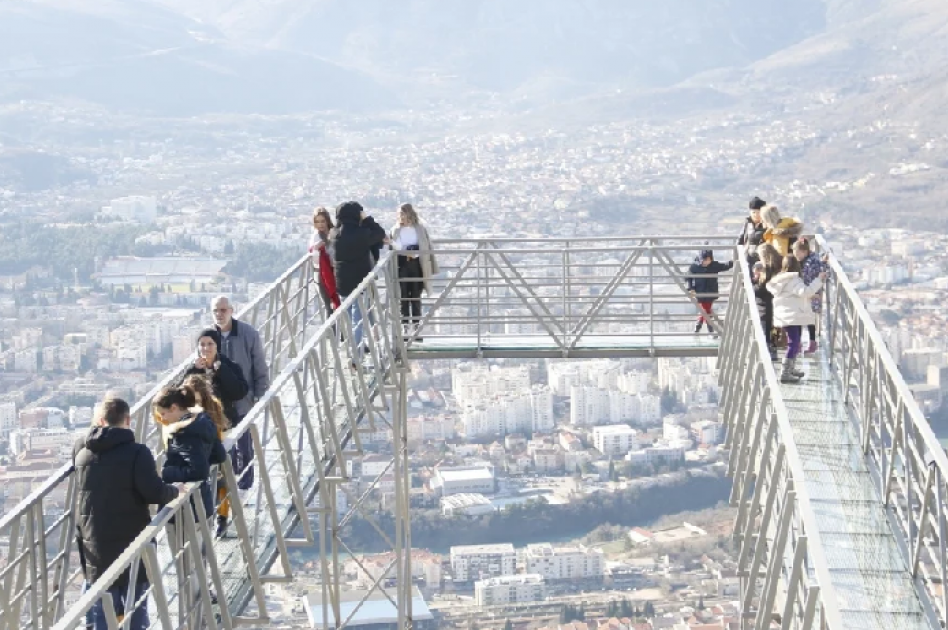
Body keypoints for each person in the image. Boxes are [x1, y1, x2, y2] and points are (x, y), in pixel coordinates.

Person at [74, 397, 182, 630]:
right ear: (128, 420)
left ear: (101, 421)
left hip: (95, 544)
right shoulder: (137, 453)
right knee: (136, 606)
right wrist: (175, 491)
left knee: (101, 608)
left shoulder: (82, 452)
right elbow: (154, 492)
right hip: (132, 543)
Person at [178, 328, 249, 536]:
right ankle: (202, 517)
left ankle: (222, 517)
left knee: (223, 476)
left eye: (210, 344)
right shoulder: (193, 370)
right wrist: (192, 371)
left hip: (223, 429)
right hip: (198, 431)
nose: (206, 348)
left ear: (217, 346)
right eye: (202, 344)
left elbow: (240, 391)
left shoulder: (228, 365)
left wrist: (221, 371)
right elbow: (179, 395)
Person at [212, 296, 269, 499]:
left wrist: (258, 396)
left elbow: (260, 366)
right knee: (225, 449)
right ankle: (227, 490)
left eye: (223, 310)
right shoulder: (210, 337)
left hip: (244, 399)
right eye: (216, 311)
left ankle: (244, 486)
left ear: (231, 310)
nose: (219, 314)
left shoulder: (248, 334)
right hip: (219, 404)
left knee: (244, 446)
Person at [153, 383, 227, 524]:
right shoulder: (203, 420)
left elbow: (198, 471)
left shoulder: (183, 433)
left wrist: (166, 472)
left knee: (182, 545)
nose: (163, 419)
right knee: (202, 545)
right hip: (202, 504)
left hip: (184, 509)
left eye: (163, 413)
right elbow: (219, 455)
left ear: (174, 408)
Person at [332, 201, 387, 355]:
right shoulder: (361, 233)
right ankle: (357, 353)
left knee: (348, 318)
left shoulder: (334, 234)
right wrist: (367, 218)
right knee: (359, 317)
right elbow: (380, 233)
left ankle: (352, 350)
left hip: (342, 280)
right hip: (360, 280)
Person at [768, 256, 826, 383]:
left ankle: (791, 369)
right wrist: (819, 279)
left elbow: (794, 295)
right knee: (793, 343)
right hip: (792, 316)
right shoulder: (793, 280)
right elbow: (805, 292)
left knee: (794, 342)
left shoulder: (780, 280)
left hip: (786, 315)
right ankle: (785, 373)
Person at [390, 203, 439, 339]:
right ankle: (405, 328)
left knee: (416, 296)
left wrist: (415, 253)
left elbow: (426, 246)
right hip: (402, 265)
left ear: (409, 214)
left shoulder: (419, 229)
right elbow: (396, 246)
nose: (400, 217)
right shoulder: (396, 230)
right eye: (399, 214)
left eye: (402, 214)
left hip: (418, 265)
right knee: (404, 297)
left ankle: (417, 328)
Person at [792, 238, 829, 355]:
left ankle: (808, 343)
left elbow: (820, 274)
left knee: (805, 319)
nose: (796, 256)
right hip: (805, 293)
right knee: (802, 318)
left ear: (804, 252)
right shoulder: (809, 259)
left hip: (810, 293)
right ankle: (804, 343)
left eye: (797, 253)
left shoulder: (811, 262)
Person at [687, 249, 734, 335]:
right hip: (700, 291)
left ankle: (700, 326)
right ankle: (709, 328)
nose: (707, 262)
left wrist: (733, 261)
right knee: (706, 309)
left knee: (706, 309)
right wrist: (690, 288)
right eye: (705, 260)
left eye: (709, 260)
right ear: (701, 259)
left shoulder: (714, 265)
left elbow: (725, 266)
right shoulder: (694, 266)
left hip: (710, 291)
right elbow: (688, 277)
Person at [753, 243, 784, 361]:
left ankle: (767, 351)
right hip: (778, 305)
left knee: (766, 330)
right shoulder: (780, 265)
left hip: (766, 306)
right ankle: (773, 349)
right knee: (774, 329)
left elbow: (761, 289)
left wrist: (754, 283)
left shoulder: (767, 269)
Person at [308, 207, 340, 317]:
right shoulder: (316, 236)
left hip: (338, 272)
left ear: (327, 220)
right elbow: (315, 258)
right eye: (317, 222)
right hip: (322, 275)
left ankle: (342, 334)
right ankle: (331, 333)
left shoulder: (335, 232)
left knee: (340, 307)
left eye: (322, 221)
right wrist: (318, 247)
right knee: (329, 307)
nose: (320, 224)